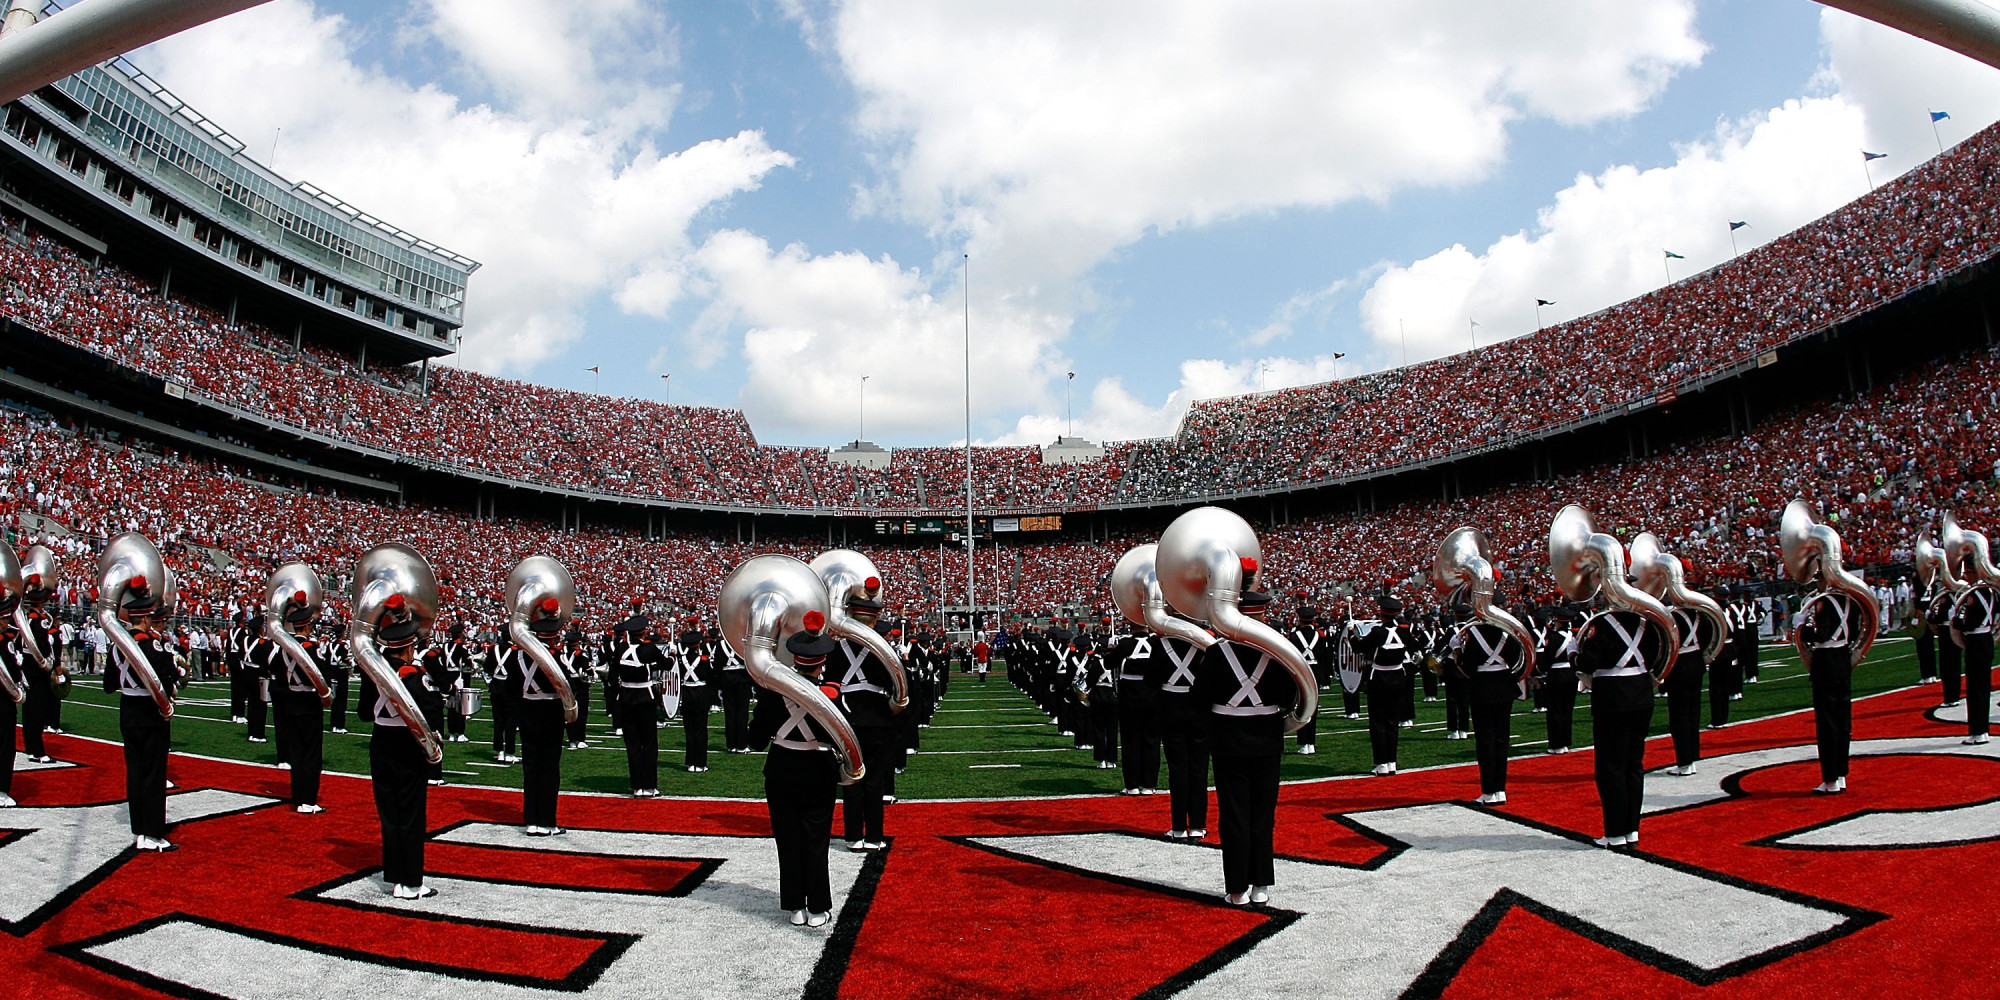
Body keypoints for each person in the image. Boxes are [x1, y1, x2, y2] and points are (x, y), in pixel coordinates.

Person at [1196, 565, 1294, 906]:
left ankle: (1236, 888)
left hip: (1228, 740)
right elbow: (1290, 696)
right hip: (1267, 738)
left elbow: (1199, 699)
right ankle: (1260, 885)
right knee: (1263, 814)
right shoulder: (1279, 651)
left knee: (1234, 814)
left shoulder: (1216, 652)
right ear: (1262, 615)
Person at [751, 614, 845, 928]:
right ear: (821, 662)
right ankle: (817, 907)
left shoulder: (771, 692)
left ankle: (795, 906)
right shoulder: (831, 693)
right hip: (818, 771)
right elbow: (846, 736)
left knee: (788, 840)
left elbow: (754, 740)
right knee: (816, 841)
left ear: (795, 658)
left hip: (780, 770)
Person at [357, 592, 441, 899]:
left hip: (380, 744)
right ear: (409, 647)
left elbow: (364, 713)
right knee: (411, 815)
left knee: (390, 814)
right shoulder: (413, 675)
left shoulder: (374, 673)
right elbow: (433, 710)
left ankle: (394, 876)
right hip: (407, 746)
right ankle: (412, 882)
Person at [1575, 599, 1667, 848]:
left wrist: (1574, 654)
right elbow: (1657, 655)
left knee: (1611, 767)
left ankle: (1615, 833)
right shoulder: (1647, 623)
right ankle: (1631, 829)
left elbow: (1588, 663)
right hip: (1642, 694)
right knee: (1633, 765)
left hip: (1613, 697)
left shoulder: (1601, 624)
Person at [111, 573, 178, 850]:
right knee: (153, 773)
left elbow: (108, 684)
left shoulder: (118, 645)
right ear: (147, 617)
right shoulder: (152, 644)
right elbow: (169, 677)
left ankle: (139, 828)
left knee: (135, 771)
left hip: (127, 709)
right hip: (150, 712)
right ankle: (153, 833)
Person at [833, 593, 897, 851]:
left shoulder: (836, 648)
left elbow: (830, 685)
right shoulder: (884, 649)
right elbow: (899, 687)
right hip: (878, 718)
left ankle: (853, 837)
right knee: (874, 781)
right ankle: (873, 837)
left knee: (852, 779)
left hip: (847, 717)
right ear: (873, 619)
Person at [1449, 595, 1525, 805]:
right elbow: (1516, 657)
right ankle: (1500, 789)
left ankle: (1489, 790)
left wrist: (1457, 651)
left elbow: (1467, 667)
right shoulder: (1508, 630)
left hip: (1482, 687)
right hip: (1504, 685)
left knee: (1485, 740)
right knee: (1502, 739)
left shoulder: (1472, 632)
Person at [508, 599, 570, 836]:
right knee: (549, 768)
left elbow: (511, 689)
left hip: (527, 714)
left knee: (531, 767)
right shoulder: (556, 657)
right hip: (551, 714)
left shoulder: (518, 657)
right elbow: (569, 687)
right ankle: (547, 821)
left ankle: (531, 820)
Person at [268, 595, 330, 813]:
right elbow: (323, 673)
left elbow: (275, 671)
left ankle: (298, 796)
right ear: (308, 626)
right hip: (309, 703)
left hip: (290, 702)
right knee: (311, 753)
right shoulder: (311, 648)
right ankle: (308, 800)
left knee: (296, 752)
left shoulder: (284, 649)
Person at [1150, 616, 1210, 839]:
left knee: (1177, 769)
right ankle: (1198, 825)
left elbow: (1151, 681)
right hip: (1199, 711)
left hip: (1171, 710)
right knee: (1199, 769)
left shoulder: (1161, 644)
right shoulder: (1206, 644)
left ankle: (1178, 827)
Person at [1352, 596, 1413, 775]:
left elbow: (1358, 648)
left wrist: (1351, 634)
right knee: (1392, 722)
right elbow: (1415, 646)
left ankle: (1381, 763)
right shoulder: (1404, 631)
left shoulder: (1378, 632)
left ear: (1382, 613)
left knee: (1378, 722)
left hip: (1379, 678)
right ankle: (1392, 761)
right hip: (1398, 677)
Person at [608, 612, 664, 796]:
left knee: (632, 744)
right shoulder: (649, 649)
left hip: (626, 698)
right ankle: (649, 785)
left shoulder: (620, 649)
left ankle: (637, 786)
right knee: (649, 744)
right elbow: (666, 664)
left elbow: (612, 675)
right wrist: (671, 654)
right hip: (645, 698)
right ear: (643, 632)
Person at [1663, 598, 1721, 776]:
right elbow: (1708, 636)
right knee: (1693, 713)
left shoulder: (1670, 616)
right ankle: (1692, 756)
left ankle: (1684, 762)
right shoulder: (1698, 615)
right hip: (1696, 663)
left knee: (1679, 716)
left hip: (1678, 667)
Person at [1112, 622, 1161, 794]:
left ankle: (1131, 786)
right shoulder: (1157, 643)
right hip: (1153, 697)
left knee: (1130, 741)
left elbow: (1109, 663)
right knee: (1152, 741)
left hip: (1129, 699)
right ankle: (1149, 785)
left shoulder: (1124, 644)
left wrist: (1113, 651)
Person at [1949, 568, 1993, 747]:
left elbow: (1971, 622)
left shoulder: (1976, 593)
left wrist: (1955, 621)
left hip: (1977, 640)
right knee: (1982, 687)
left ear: (1975, 572)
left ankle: (1978, 731)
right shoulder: (1991, 591)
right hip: (1986, 639)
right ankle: (1982, 729)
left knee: (1976, 688)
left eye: (1968, 572)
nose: (1965, 576)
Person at [1536, 606, 1580, 754]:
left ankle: (1556, 744)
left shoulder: (1553, 638)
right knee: (1567, 710)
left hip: (1556, 676)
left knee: (1555, 711)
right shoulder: (1574, 637)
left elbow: (1547, 659)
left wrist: (1538, 670)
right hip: (1571, 675)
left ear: (1559, 622)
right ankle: (1566, 742)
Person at [678, 619, 716, 773]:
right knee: (700, 730)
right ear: (698, 644)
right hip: (700, 695)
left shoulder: (681, 660)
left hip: (687, 696)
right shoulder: (704, 660)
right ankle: (700, 763)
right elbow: (711, 678)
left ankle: (690, 762)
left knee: (689, 731)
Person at [1288, 605, 1326, 755]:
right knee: (1313, 708)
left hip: (1301, 671)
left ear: (1300, 619)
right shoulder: (1320, 635)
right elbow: (1324, 656)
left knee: (1302, 707)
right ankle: (1311, 743)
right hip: (1315, 672)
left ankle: (1304, 742)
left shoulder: (1294, 636)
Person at [714, 623, 754, 753]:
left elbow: (717, 666)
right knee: (742, 713)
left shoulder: (720, 645)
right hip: (742, 679)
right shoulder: (744, 642)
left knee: (730, 713)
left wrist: (719, 685)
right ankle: (741, 744)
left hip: (726, 680)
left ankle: (731, 744)